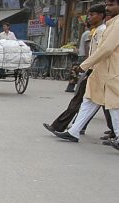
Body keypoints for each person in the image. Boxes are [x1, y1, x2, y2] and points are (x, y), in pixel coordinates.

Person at [52, 0, 119, 145]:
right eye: (107, 5)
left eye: (112, 5)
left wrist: (84, 65)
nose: (108, 8)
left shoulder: (116, 25)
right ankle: (73, 131)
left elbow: (105, 49)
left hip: (112, 71)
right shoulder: (111, 24)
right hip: (101, 70)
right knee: (89, 101)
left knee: (113, 105)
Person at [44, 4, 107, 135]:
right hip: (93, 69)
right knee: (89, 102)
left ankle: (62, 126)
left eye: (92, 14)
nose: (89, 18)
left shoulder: (102, 31)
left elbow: (100, 53)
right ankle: (72, 128)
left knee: (87, 101)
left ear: (101, 15)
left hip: (96, 70)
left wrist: (84, 65)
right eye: (88, 15)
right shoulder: (95, 31)